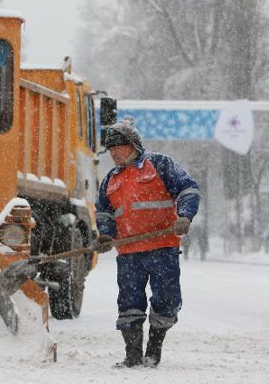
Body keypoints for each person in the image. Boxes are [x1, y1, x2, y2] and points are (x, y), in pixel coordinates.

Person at [94, 117, 200, 368]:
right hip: (129, 251)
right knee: (129, 302)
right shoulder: (111, 179)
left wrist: (185, 216)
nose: (114, 154)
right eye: (111, 150)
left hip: (162, 247)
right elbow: (104, 212)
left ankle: (153, 350)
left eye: (118, 148)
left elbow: (189, 189)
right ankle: (132, 355)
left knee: (166, 299)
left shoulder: (160, 165)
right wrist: (106, 234)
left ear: (133, 146)